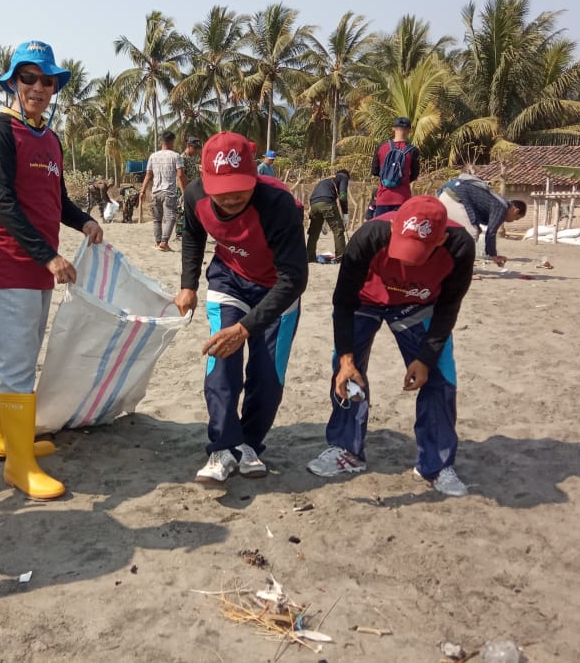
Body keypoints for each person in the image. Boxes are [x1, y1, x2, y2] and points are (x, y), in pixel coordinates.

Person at [0, 40, 103, 501]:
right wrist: (48, 255)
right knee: (19, 364)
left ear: (55, 88)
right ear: (12, 82)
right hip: (7, 264)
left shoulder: (49, 138)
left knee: (15, 355)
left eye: (46, 80)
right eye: (27, 77)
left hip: (36, 268)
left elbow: (56, 199)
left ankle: (3, 439)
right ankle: (19, 464)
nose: (37, 87)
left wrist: (83, 219)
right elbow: (2, 203)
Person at [306, 195, 476, 497]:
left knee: (440, 376)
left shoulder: (460, 247)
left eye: (418, 254)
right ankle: (348, 450)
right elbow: (343, 302)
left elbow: (449, 307)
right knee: (347, 374)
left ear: (441, 240)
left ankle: (435, 465)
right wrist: (346, 359)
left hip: (418, 306)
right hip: (364, 301)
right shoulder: (370, 234)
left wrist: (424, 358)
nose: (405, 260)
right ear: (394, 226)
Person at [175, 132, 308, 484]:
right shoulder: (194, 197)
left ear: (254, 175)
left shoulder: (280, 204)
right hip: (229, 282)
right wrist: (188, 285)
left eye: (240, 186)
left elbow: (294, 279)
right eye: (223, 188)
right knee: (221, 365)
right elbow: (192, 234)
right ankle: (222, 446)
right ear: (205, 180)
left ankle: (248, 444)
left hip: (277, 292)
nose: (232, 196)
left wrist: (246, 328)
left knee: (267, 377)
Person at [437, 174, 527, 267]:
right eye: (516, 218)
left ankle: (445, 263)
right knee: (471, 234)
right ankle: (462, 270)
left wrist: (491, 255)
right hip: (454, 199)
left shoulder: (499, 202)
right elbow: (491, 233)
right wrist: (493, 255)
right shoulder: (501, 207)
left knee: (466, 233)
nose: (512, 221)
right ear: (516, 210)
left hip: (448, 197)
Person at [140, 131, 187, 251]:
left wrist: (142, 191)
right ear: (172, 141)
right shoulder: (176, 156)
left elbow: (148, 175)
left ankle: (158, 242)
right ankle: (164, 242)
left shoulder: (153, 156)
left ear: (162, 142)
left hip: (155, 192)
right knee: (171, 217)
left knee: (157, 219)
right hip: (169, 192)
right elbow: (180, 175)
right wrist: (184, 192)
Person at [370, 117, 420, 217]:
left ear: (393, 128)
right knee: (400, 231)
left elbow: (374, 170)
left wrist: (387, 178)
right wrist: (402, 180)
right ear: (409, 130)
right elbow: (415, 174)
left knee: (382, 230)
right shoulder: (413, 150)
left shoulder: (381, 147)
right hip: (403, 198)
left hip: (383, 197)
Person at [307, 169, 351, 262]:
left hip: (314, 204)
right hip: (327, 202)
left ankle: (310, 257)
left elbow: (318, 197)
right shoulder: (343, 177)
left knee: (314, 232)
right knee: (338, 229)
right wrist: (345, 213)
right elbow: (342, 195)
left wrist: (322, 222)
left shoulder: (325, 181)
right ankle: (340, 257)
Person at [175, 136, 203, 240]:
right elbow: (180, 176)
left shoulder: (195, 157)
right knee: (181, 210)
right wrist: (183, 192)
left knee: (192, 210)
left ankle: (190, 230)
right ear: (188, 146)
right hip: (183, 187)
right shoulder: (182, 157)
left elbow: (195, 171)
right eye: (195, 148)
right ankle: (179, 233)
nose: (196, 150)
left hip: (193, 187)